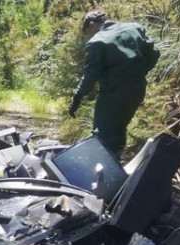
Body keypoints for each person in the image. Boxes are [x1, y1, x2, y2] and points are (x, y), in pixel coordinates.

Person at [68, 10, 160, 156]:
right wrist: (138, 73)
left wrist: (77, 97)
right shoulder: (135, 28)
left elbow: (91, 74)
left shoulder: (98, 41)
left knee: (101, 134)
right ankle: (116, 162)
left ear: (92, 25)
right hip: (137, 90)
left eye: (88, 32)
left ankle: (104, 170)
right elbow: (154, 53)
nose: (89, 36)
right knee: (119, 128)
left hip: (112, 94)